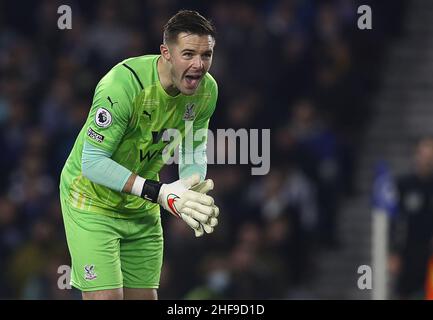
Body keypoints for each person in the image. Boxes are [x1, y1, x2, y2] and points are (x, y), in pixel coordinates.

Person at [59, 10, 220, 300]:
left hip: (140, 204)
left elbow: (194, 147)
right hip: (91, 200)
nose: (199, 65)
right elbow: (93, 163)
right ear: (166, 53)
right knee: (108, 297)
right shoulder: (122, 86)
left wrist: (189, 192)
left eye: (206, 55)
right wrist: (161, 194)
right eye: (188, 54)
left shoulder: (207, 90)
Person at [389, 137, 433, 299]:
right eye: (424, 154)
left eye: (431, 156)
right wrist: (393, 252)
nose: (428, 160)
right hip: (408, 250)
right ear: (416, 155)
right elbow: (393, 221)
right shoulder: (404, 185)